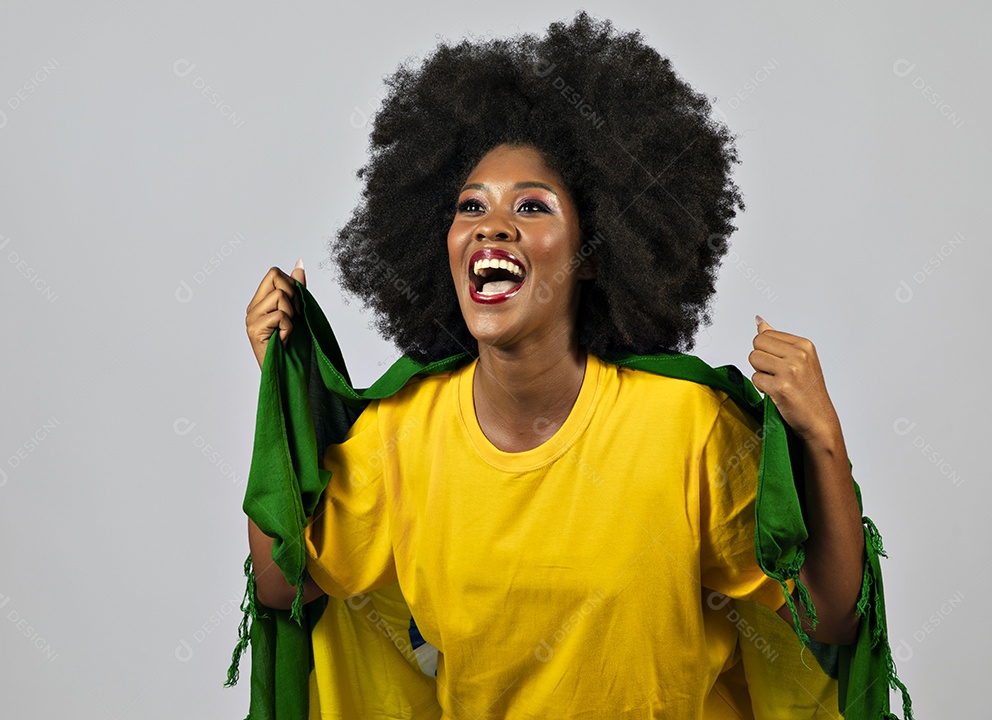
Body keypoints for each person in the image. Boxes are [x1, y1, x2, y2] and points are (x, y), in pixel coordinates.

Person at [243, 11, 867, 718]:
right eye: (470, 205)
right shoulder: (406, 435)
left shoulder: (684, 426)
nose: (491, 225)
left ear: (596, 252)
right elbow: (285, 584)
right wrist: (278, 389)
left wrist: (820, 434)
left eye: (531, 206)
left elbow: (827, 621)